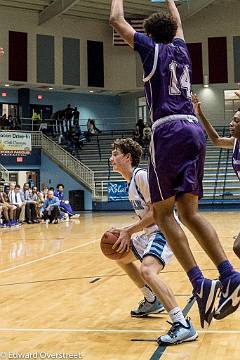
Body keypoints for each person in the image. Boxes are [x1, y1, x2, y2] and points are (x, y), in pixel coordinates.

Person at [110, 0, 240, 328]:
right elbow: (180, 23)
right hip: (194, 131)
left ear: (150, 34)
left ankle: (200, 283)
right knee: (190, 213)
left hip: (167, 129)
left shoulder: (151, 49)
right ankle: (230, 275)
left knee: (165, 213)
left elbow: (116, 19)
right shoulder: (182, 50)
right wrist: (171, 1)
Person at [110, 138, 197, 345]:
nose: (111, 158)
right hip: (151, 233)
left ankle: (182, 324)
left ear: (127, 157)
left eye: (115, 154)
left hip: (164, 231)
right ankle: (151, 300)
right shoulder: (130, 182)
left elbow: (158, 212)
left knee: (147, 271)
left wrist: (128, 231)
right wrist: (124, 232)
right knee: (121, 256)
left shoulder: (141, 176)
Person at [193, 95, 240, 259]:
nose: (231, 123)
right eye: (233, 120)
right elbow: (216, 139)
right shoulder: (235, 143)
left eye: (236, 120)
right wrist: (200, 114)